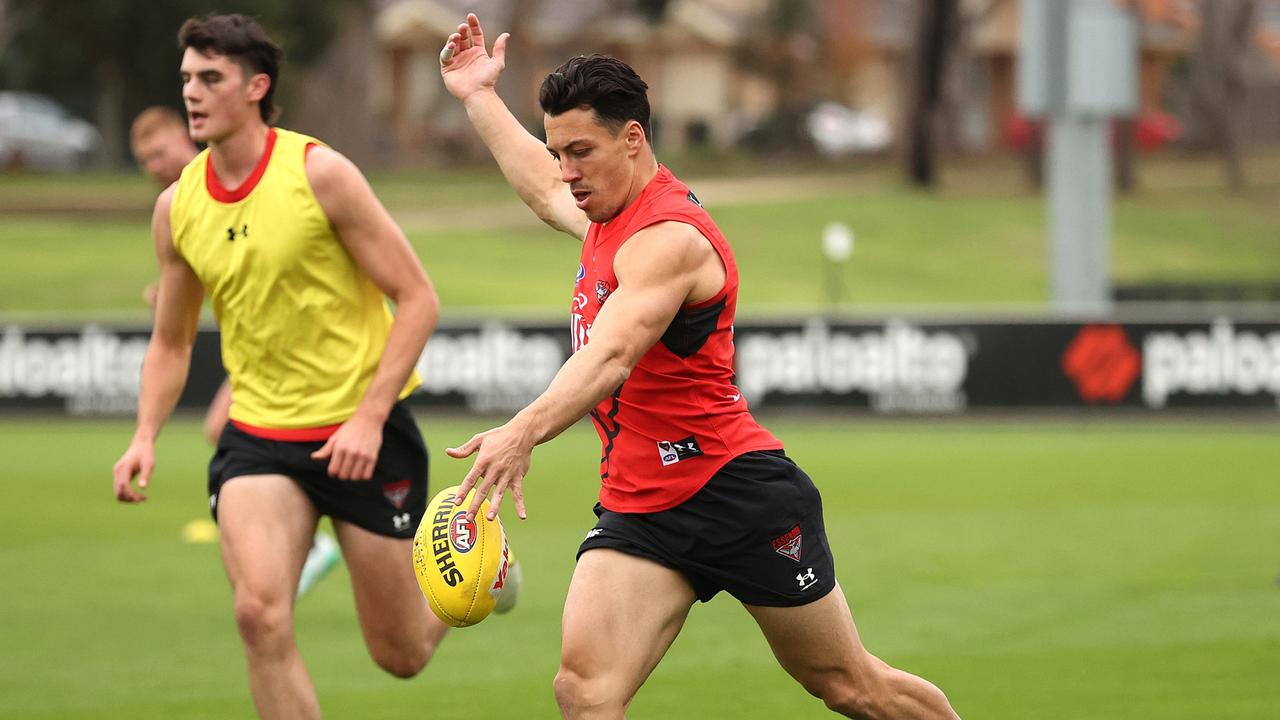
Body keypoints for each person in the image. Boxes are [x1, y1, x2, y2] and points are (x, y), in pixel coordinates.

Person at [439, 14, 961, 719]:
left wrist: (523, 430)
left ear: (633, 138)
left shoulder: (669, 240)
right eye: (559, 149)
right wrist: (477, 95)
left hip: (733, 492)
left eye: (580, 151)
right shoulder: (601, 207)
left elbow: (613, 354)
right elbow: (541, 187)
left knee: (849, 686)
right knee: (584, 690)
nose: (566, 170)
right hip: (642, 504)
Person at [112, 15, 452, 719]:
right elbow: (171, 342)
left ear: (256, 87)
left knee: (402, 656)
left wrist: (367, 417)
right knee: (258, 616)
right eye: (186, 80)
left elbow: (418, 299)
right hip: (260, 436)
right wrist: (144, 434)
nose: (193, 95)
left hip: (365, 435)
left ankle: (480, 569)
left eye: (211, 79)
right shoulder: (177, 206)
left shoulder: (320, 174)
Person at [130, 104, 342, 596]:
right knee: (227, 437)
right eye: (143, 159)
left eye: (158, 152)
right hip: (259, 354)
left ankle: (316, 541)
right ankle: (305, 544)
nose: (153, 165)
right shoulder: (179, 202)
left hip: (310, 353)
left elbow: (257, 255)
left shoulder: (234, 178)